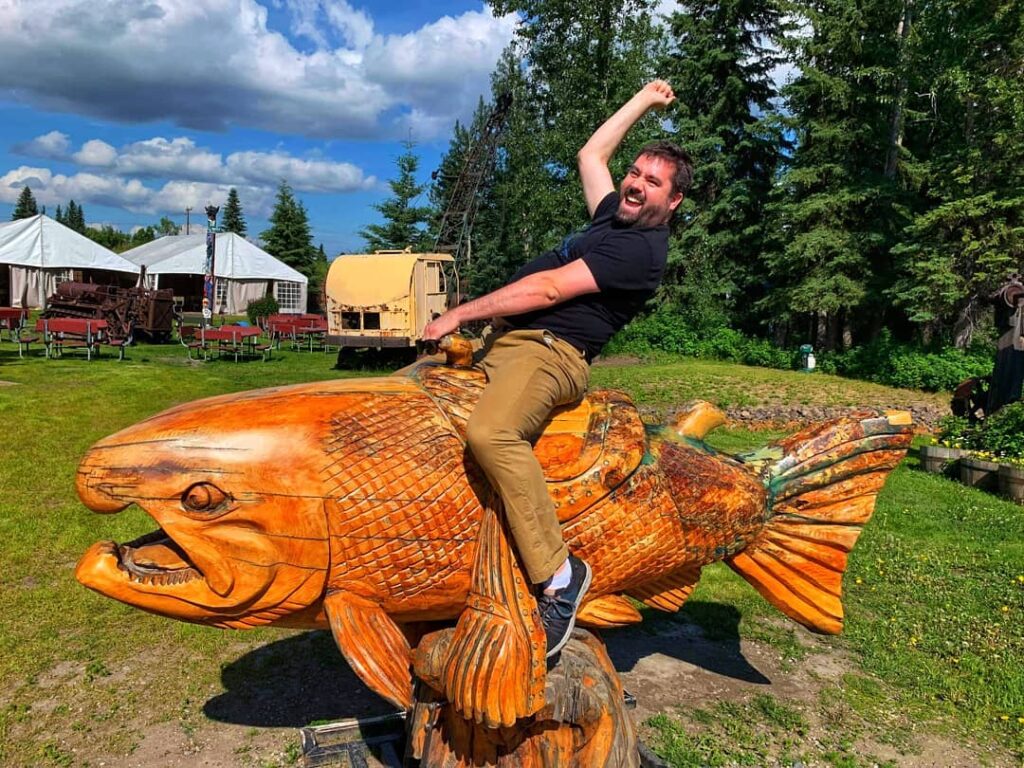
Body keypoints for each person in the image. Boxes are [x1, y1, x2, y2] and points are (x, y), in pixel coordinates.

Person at [422, 80, 692, 657]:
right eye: (637, 173)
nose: (637, 184)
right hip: (511, 343)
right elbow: (591, 155)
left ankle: (558, 577)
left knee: (491, 433)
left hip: (550, 352)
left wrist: (459, 315)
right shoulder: (611, 219)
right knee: (410, 400)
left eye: (653, 182)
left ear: (673, 203)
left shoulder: (640, 250)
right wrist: (643, 99)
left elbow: (546, 288)